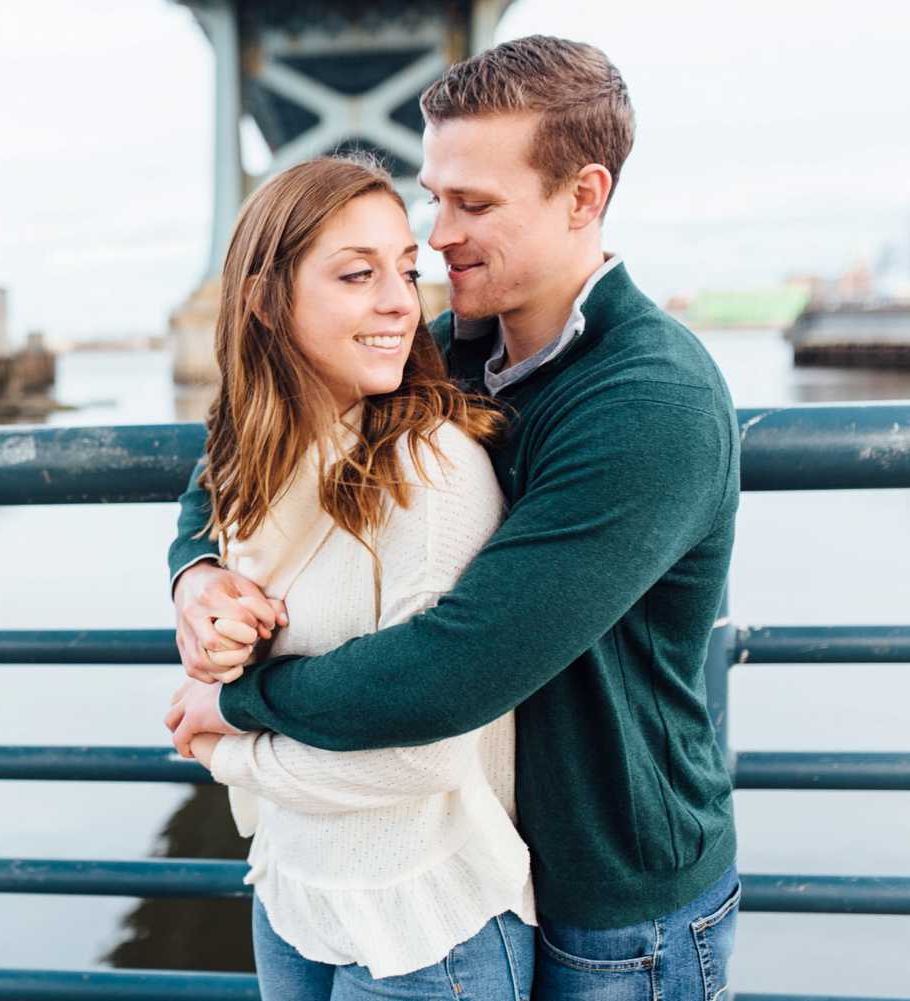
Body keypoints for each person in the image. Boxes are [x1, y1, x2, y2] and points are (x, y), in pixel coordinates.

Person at [166, 35, 742, 1001]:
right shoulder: (441, 354)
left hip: (614, 896)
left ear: (583, 197)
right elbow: (244, 447)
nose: (436, 235)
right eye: (436, 195)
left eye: (474, 203)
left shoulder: (651, 401)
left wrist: (236, 710)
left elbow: (454, 668)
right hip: (470, 866)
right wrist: (198, 570)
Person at [163, 152, 536, 1000]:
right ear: (264, 299)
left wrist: (230, 749)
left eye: (406, 269)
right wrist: (200, 586)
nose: (403, 301)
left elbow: (425, 762)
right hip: (294, 894)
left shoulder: (429, 475)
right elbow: (207, 514)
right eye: (357, 274)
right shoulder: (259, 456)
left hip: (426, 926)